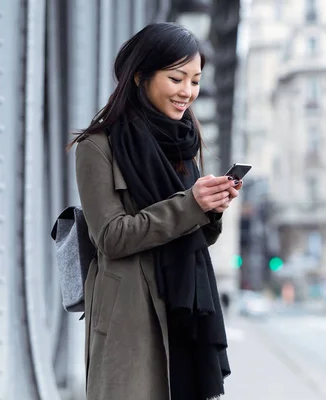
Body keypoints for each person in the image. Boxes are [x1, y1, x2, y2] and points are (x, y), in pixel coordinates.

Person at [70, 23, 240, 400]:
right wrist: (190, 205)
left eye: (195, 81)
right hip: (129, 315)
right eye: (176, 78)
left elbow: (196, 236)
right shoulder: (96, 147)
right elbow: (111, 237)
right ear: (140, 76)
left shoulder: (182, 145)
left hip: (186, 312)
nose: (187, 92)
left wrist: (211, 209)